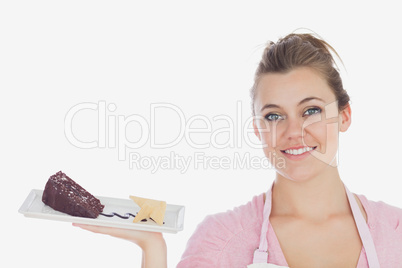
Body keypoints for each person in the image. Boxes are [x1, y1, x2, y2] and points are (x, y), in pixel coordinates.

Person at [74, 32, 402, 267]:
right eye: (274, 115)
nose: (292, 132)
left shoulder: (396, 233)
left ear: (344, 115)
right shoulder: (222, 239)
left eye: (310, 110)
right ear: (259, 129)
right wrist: (152, 246)